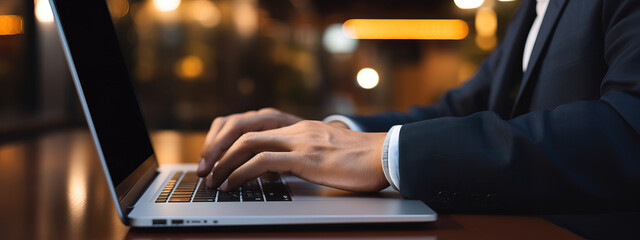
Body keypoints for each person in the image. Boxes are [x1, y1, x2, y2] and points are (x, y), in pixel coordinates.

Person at [196, 0, 640, 213]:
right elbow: (459, 107)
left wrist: (390, 154)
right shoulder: (533, 9)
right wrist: (324, 132)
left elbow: (626, 130)